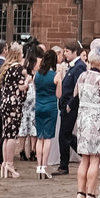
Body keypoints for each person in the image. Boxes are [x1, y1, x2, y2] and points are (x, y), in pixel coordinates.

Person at [71, 45, 100, 198]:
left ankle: (80, 192)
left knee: (84, 159)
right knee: (95, 159)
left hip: (83, 119)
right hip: (96, 121)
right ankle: (90, 194)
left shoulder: (82, 76)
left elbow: (76, 95)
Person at [0, 39, 34, 180]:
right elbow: (21, 87)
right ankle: (9, 163)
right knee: (12, 135)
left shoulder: (7, 67)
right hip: (14, 104)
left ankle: (6, 163)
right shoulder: (17, 68)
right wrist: (28, 81)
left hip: (5, 102)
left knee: (6, 134)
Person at [32, 47, 61, 177]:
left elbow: (35, 89)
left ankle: (38, 166)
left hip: (38, 106)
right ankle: (44, 165)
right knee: (48, 138)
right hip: (50, 107)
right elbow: (59, 95)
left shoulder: (36, 75)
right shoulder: (55, 76)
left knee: (40, 137)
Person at [57, 42, 85, 173]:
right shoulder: (73, 66)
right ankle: (84, 155)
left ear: (75, 52)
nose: (65, 54)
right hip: (65, 105)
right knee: (65, 135)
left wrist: (70, 104)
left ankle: (64, 165)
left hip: (70, 106)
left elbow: (79, 88)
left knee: (64, 135)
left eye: (67, 51)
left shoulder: (79, 67)